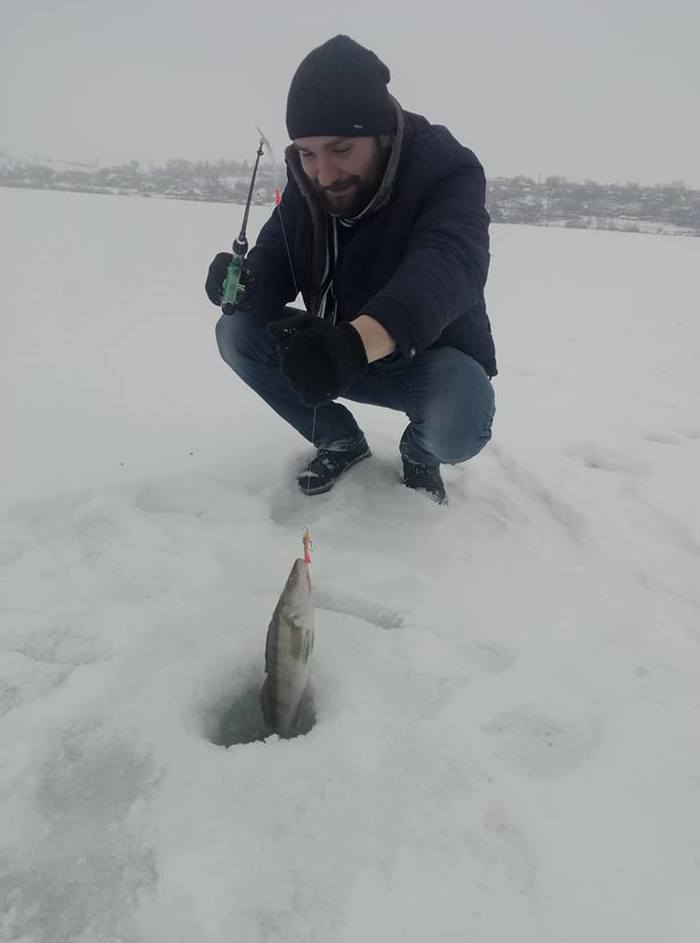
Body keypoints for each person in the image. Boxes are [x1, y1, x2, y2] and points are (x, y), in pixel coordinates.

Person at [206, 34, 497, 505]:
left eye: (341, 149)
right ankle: (338, 439)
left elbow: (451, 260)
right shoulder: (309, 181)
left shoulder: (446, 168)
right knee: (235, 331)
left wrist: (357, 343)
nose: (323, 173)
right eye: (307, 152)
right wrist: (247, 283)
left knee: (460, 418)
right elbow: (276, 254)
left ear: (383, 134)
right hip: (331, 355)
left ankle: (421, 451)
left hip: (421, 360)